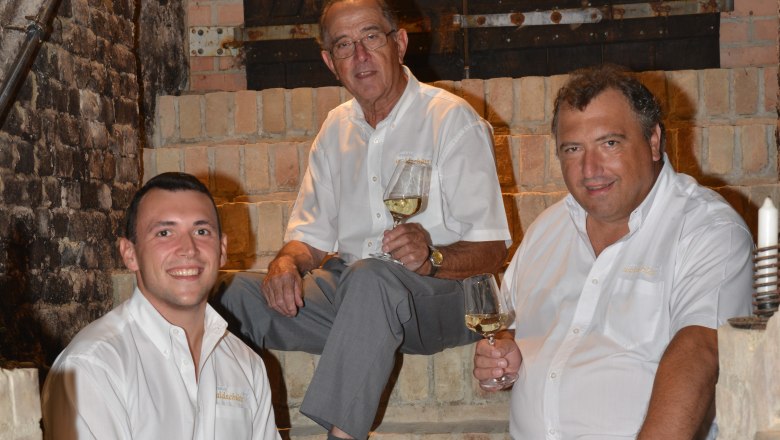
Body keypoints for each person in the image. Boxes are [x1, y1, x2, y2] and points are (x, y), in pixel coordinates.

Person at [213, 0, 511, 439]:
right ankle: (229, 425)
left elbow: (493, 250)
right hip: (355, 293)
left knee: (371, 277)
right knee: (237, 295)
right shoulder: (335, 129)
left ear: (400, 43)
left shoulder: (450, 120)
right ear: (330, 62)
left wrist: (431, 258)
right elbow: (310, 238)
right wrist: (286, 263)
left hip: (442, 297)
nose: (361, 56)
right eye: (344, 45)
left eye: (371, 37)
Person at [473, 64, 754, 439]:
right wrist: (503, 355)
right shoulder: (546, 231)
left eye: (609, 143)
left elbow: (701, 353)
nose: (590, 169)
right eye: (573, 149)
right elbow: (507, 330)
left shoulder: (708, 230)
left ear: (653, 141)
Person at [41, 172, 281, 440]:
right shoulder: (92, 366)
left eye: (201, 231)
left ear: (222, 249)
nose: (188, 248)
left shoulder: (247, 364)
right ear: (130, 254)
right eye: (164, 233)